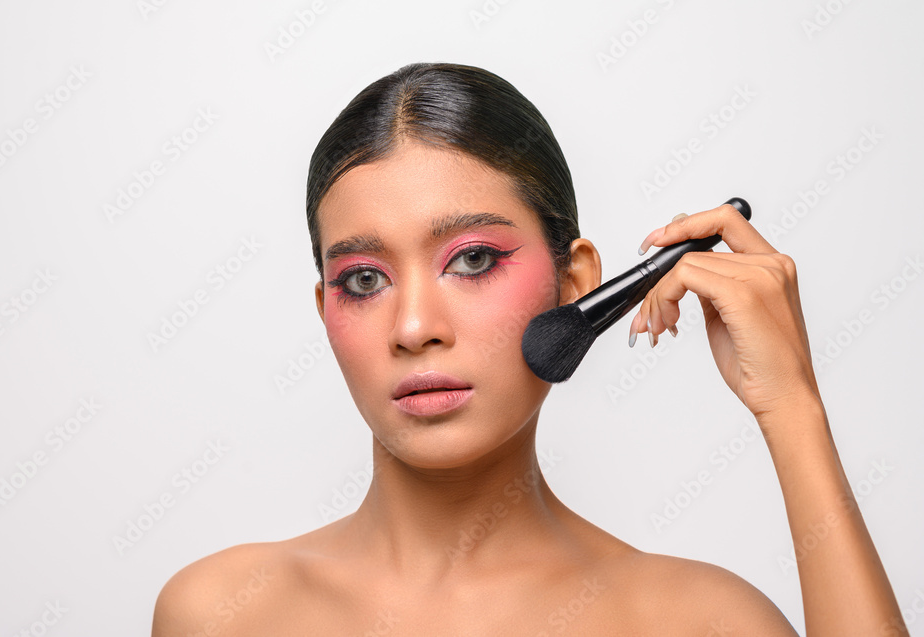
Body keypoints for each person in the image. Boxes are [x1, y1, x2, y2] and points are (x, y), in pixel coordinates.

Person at [152, 62, 907, 636]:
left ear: (575, 281)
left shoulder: (699, 618)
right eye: (363, 278)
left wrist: (793, 411)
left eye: (473, 260)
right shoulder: (219, 610)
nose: (414, 326)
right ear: (325, 310)